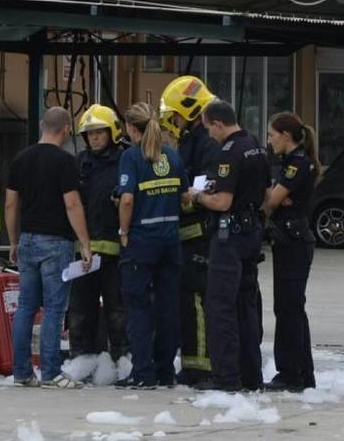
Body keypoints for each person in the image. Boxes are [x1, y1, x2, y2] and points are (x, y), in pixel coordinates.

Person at [5, 106, 92, 389]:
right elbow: (72, 204)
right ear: (66, 129)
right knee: (54, 308)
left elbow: (10, 204)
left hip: (28, 240)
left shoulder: (20, 159)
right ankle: (51, 372)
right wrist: (85, 243)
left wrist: (14, 240)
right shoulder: (65, 161)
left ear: (43, 126)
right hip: (56, 242)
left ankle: (21, 373)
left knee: (26, 308)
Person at [192, 100, 271, 392]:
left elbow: (222, 203)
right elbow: (265, 196)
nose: (209, 135)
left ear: (218, 123)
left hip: (229, 237)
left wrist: (196, 196)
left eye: (209, 128)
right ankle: (252, 377)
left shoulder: (228, 152)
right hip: (251, 233)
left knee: (220, 307)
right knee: (246, 307)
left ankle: (226, 378)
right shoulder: (256, 146)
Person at [116, 102, 190, 389]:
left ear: (132, 129)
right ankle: (165, 371)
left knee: (138, 308)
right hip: (170, 241)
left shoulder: (131, 157)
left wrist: (124, 231)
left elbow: (126, 199)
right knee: (168, 308)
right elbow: (185, 197)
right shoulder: (172, 155)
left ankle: (143, 373)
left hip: (141, 241)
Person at [159, 76, 220, 386]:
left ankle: (200, 367)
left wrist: (183, 197)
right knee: (187, 300)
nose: (172, 121)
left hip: (200, 233)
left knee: (196, 300)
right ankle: (194, 363)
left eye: (174, 115)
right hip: (189, 234)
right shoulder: (191, 139)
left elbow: (206, 185)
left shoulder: (206, 141)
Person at [262, 112, 320, 392]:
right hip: (287, 240)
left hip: (294, 242)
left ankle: (292, 373)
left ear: (286, 135)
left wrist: (272, 195)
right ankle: (301, 373)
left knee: (289, 309)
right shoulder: (290, 163)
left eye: (272, 134)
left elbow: (272, 200)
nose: (269, 140)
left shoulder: (297, 164)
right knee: (288, 308)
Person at [67, 104, 129, 365]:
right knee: (80, 311)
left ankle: (122, 360)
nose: (93, 138)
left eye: (99, 132)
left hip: (116, 253)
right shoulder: (80, 163)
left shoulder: (125, 160)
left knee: (117, 310)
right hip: (84, 254)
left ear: (112, 132)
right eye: (89, 133)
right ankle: (82, 360)